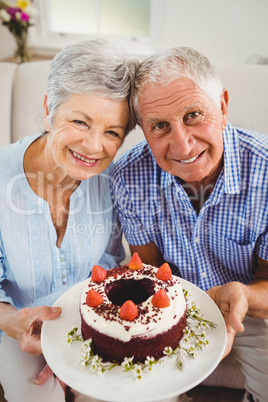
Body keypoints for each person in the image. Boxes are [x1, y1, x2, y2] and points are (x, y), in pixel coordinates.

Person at [111, 46, 268, 402]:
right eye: (160, 126)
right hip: (169, 301)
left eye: (194, 115)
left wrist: (243, 296)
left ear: (223, 106)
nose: (182, 144)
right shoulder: (127, 175)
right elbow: (148, 268)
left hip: (249, 306)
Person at [0, 39, 138, 402]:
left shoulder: (113, 181)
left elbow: (109, 262)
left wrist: (82, 339)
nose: (94, 147)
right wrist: (11, 322)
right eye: (80, 121)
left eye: (112, 132)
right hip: (15, 328)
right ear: (49, 109)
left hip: (89, 319)